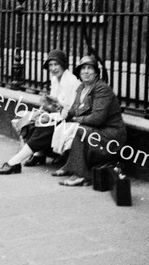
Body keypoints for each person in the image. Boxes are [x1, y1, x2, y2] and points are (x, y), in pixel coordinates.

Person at [0, 50, 80, 174]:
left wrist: (49, 115)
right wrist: (42, 110)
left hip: (69, 120)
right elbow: (53, 103)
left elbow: (70, 110)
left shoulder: (71, 82)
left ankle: (14, 162)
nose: (53, 68)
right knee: (27, 117)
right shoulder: (55, 79)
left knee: (44, 126)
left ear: (63, 64)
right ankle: (39, 154)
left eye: (56, 64)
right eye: (50, 65)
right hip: (57, 116)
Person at [53, 55, 126, 186]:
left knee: (79, 130)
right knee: (67, 127)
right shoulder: (81, 88)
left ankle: (80, 174)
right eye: (83, 69)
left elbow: (98, 118)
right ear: (79, 72)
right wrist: (63, 110)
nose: (86, 71)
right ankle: (71, 166)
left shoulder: (101, 88)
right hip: (97, 130)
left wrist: (75, 119)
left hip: (110, 134)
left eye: (89, 68)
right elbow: (75, 109)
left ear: (96, 72)